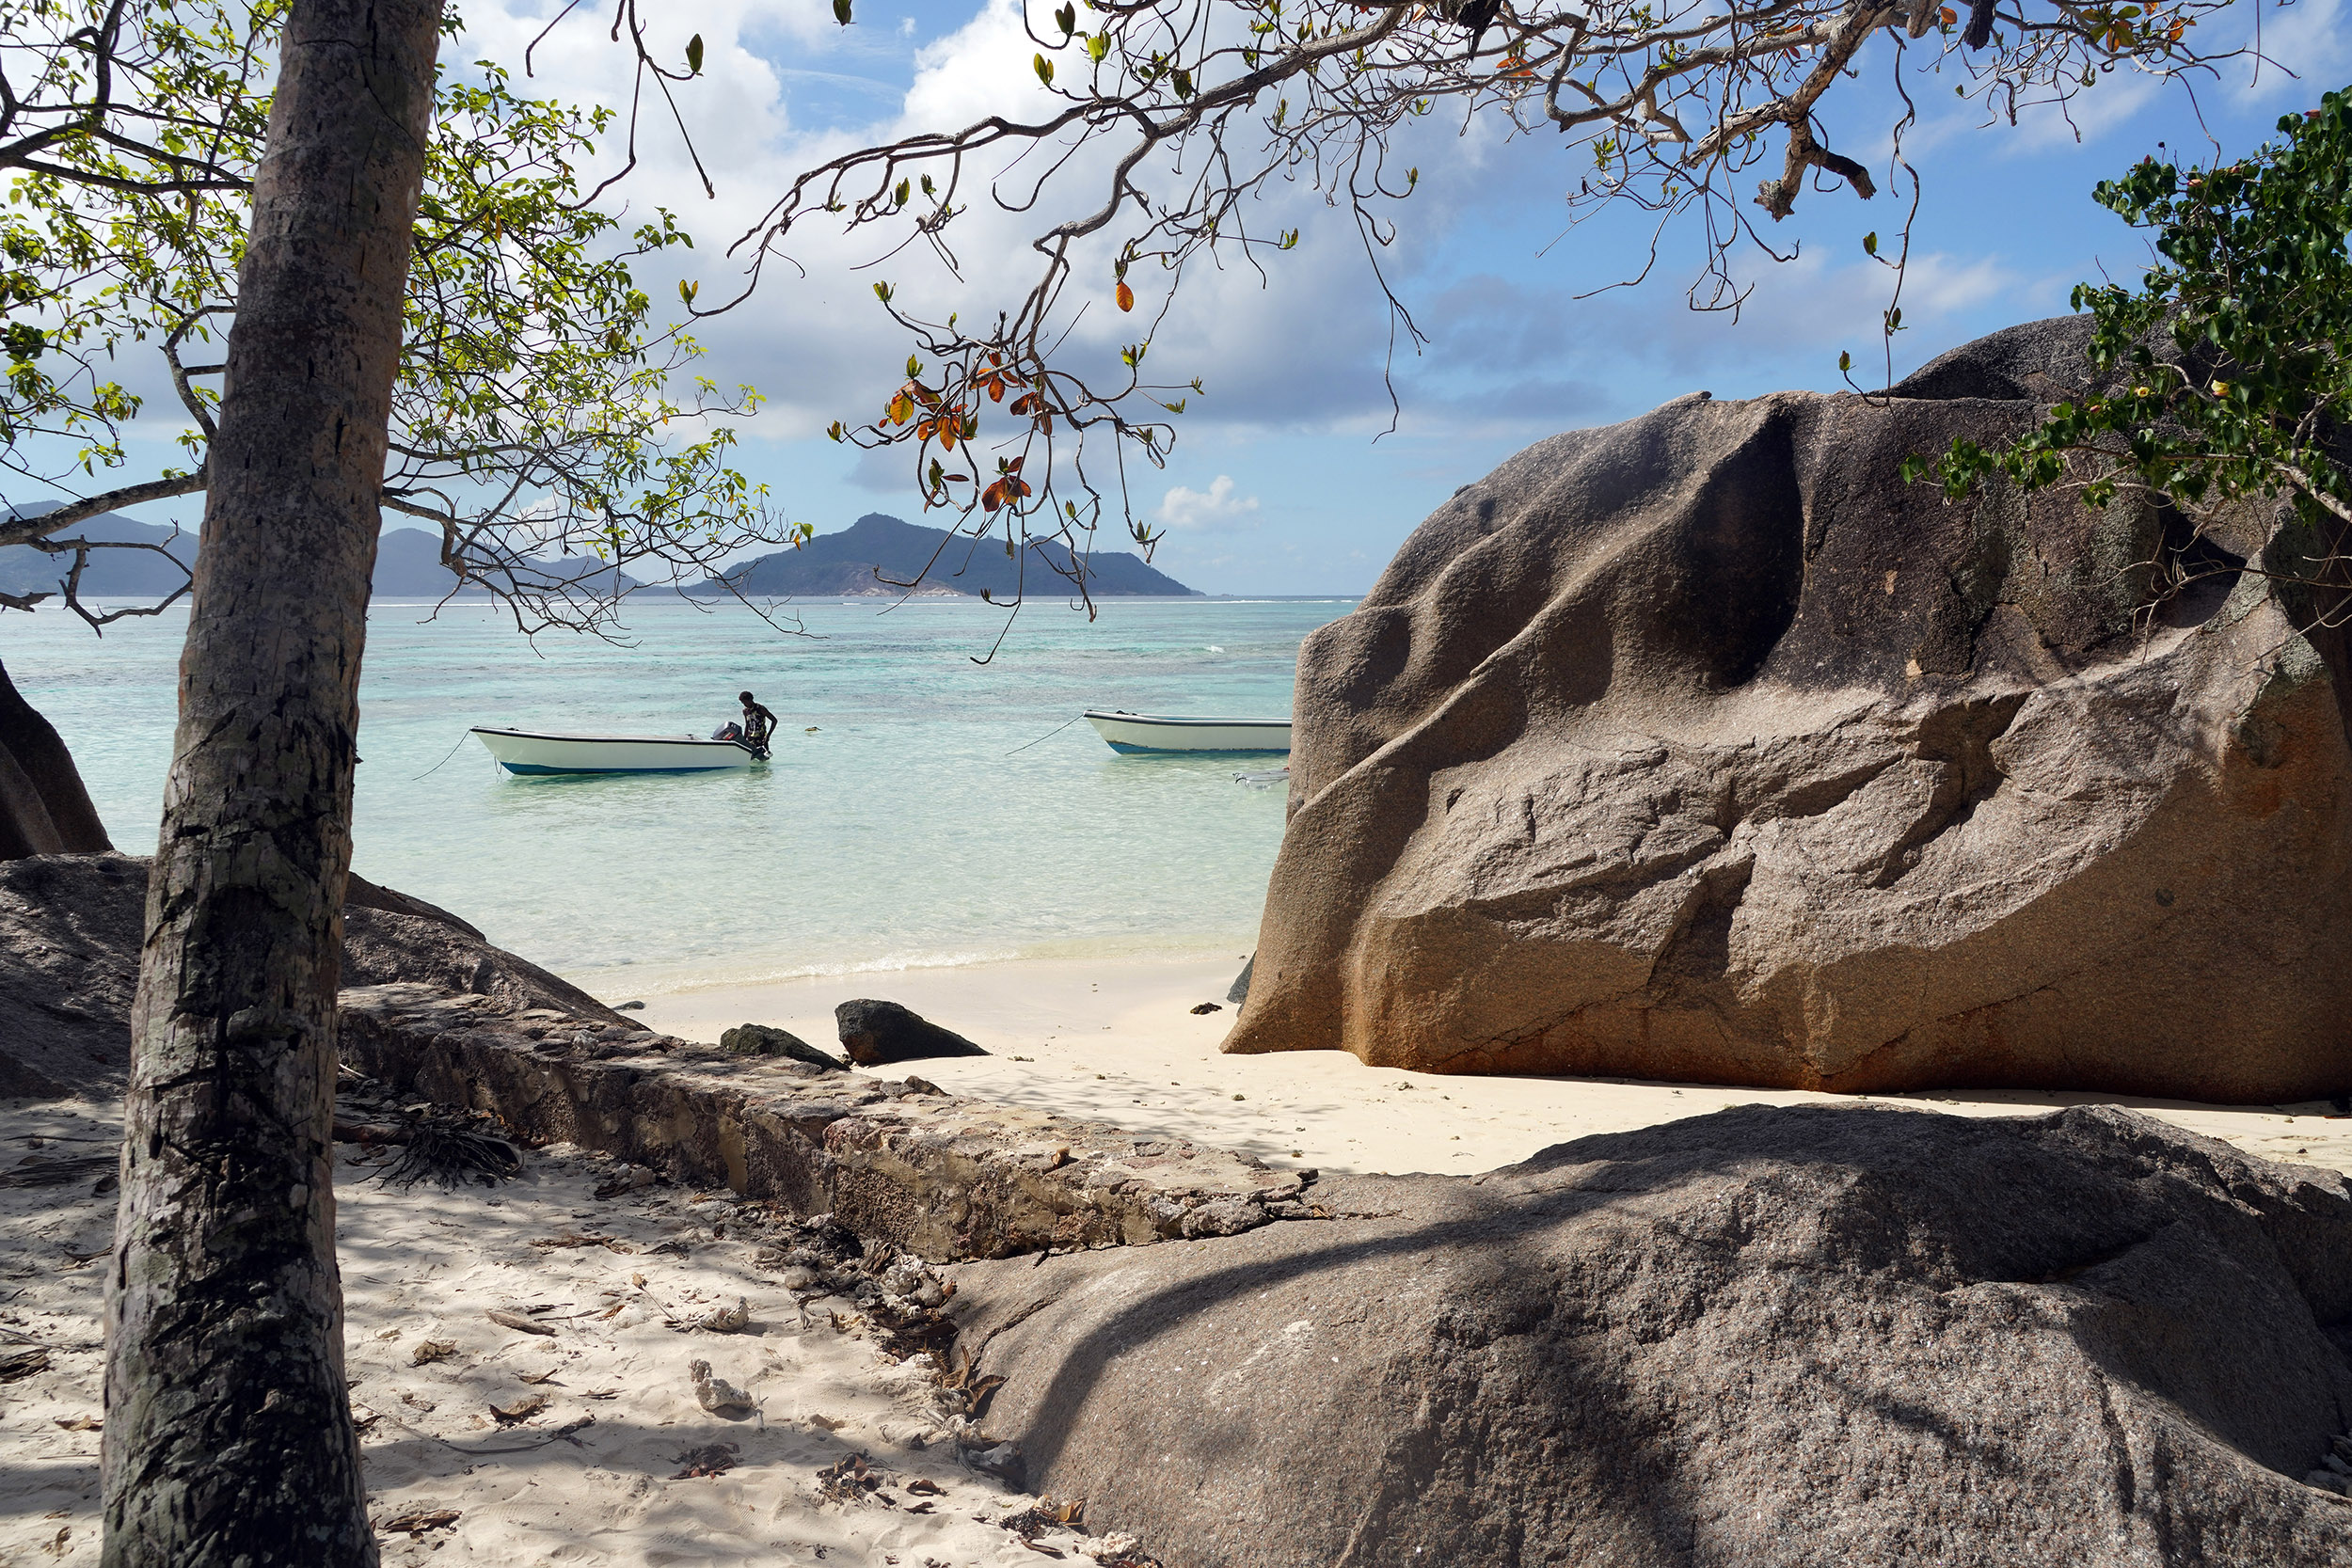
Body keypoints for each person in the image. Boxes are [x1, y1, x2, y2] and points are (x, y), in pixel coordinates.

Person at [713, 690, 778, 757]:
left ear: (750, 700)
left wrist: (768, 735)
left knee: (763, 759)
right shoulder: (745, 711)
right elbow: (747, 725)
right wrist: (744, 739)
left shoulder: (760, 709)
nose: (744, 704)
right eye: (742, 703)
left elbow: (774, 720)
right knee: (751, 758)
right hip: (750, 739)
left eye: (745, 702)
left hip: (762, 739)